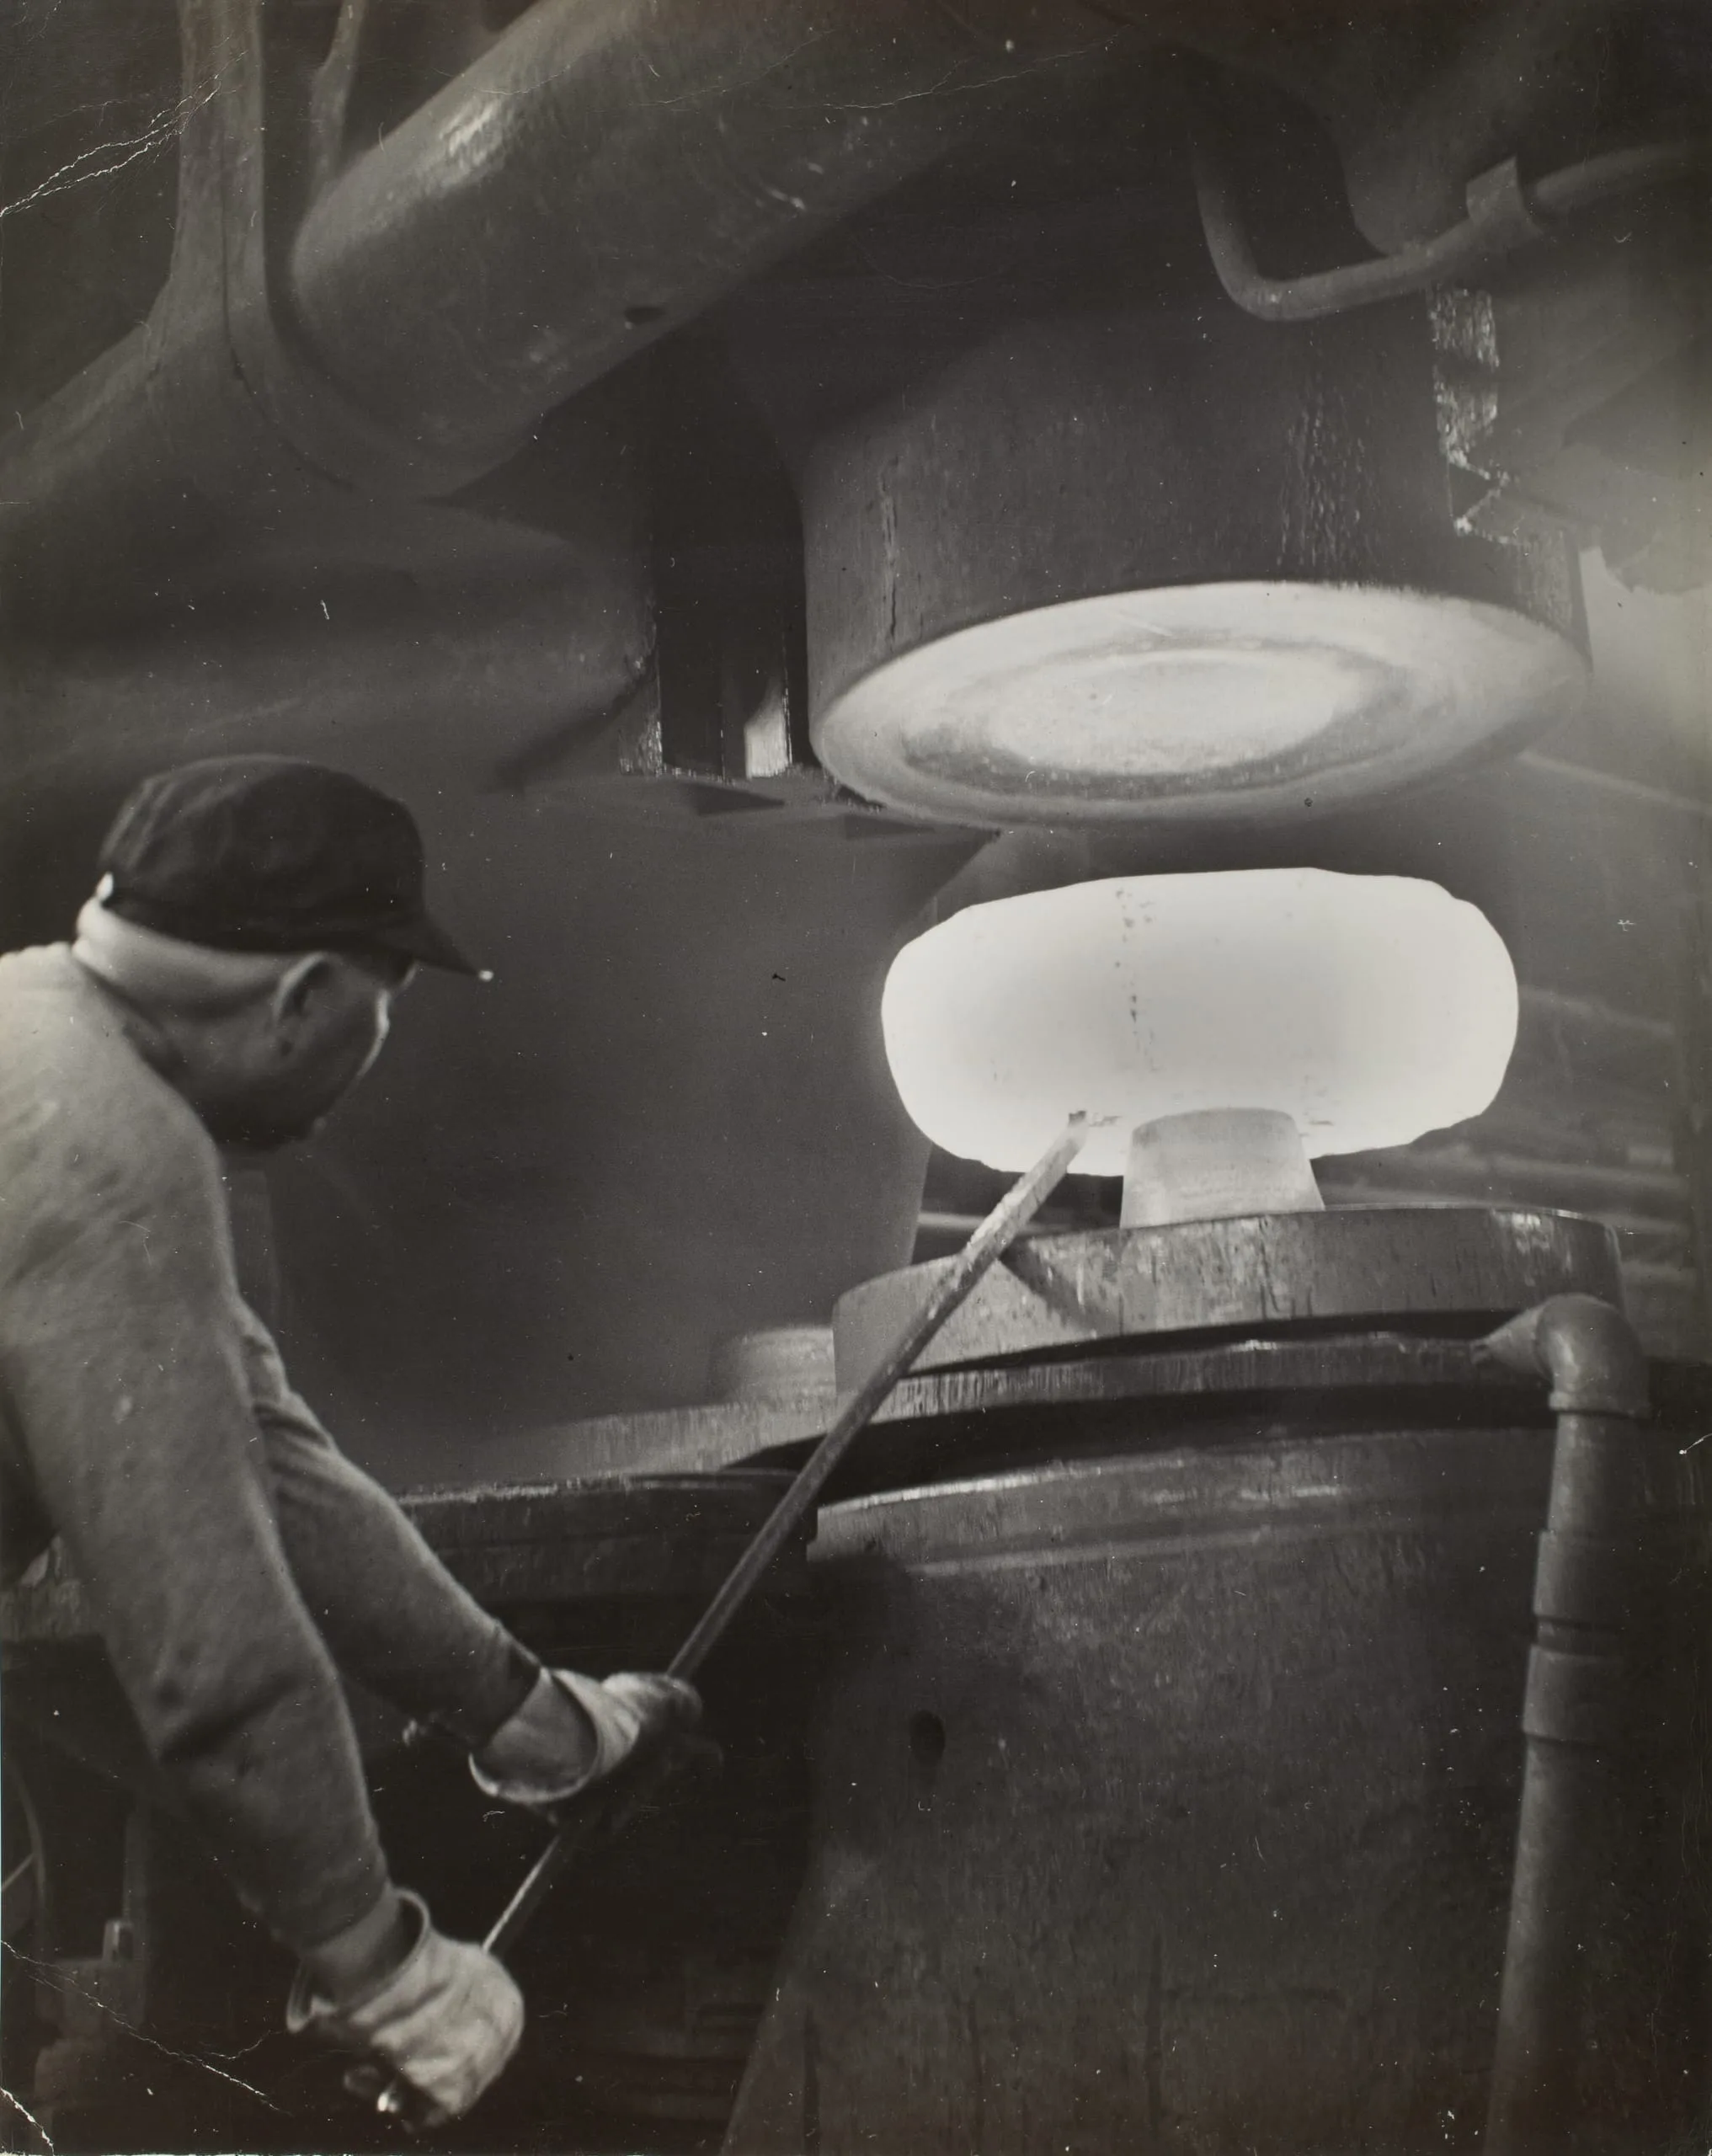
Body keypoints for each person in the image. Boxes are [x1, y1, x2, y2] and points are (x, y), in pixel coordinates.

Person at [0, 755, 701, 2125]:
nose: (372, 1051)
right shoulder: (107, 1146)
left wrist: (532, 1719)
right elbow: (213, 1655)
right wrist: (380, 1969)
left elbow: (270, 1459)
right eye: (382, 1008)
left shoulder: (41, 1037)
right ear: (304, 996)